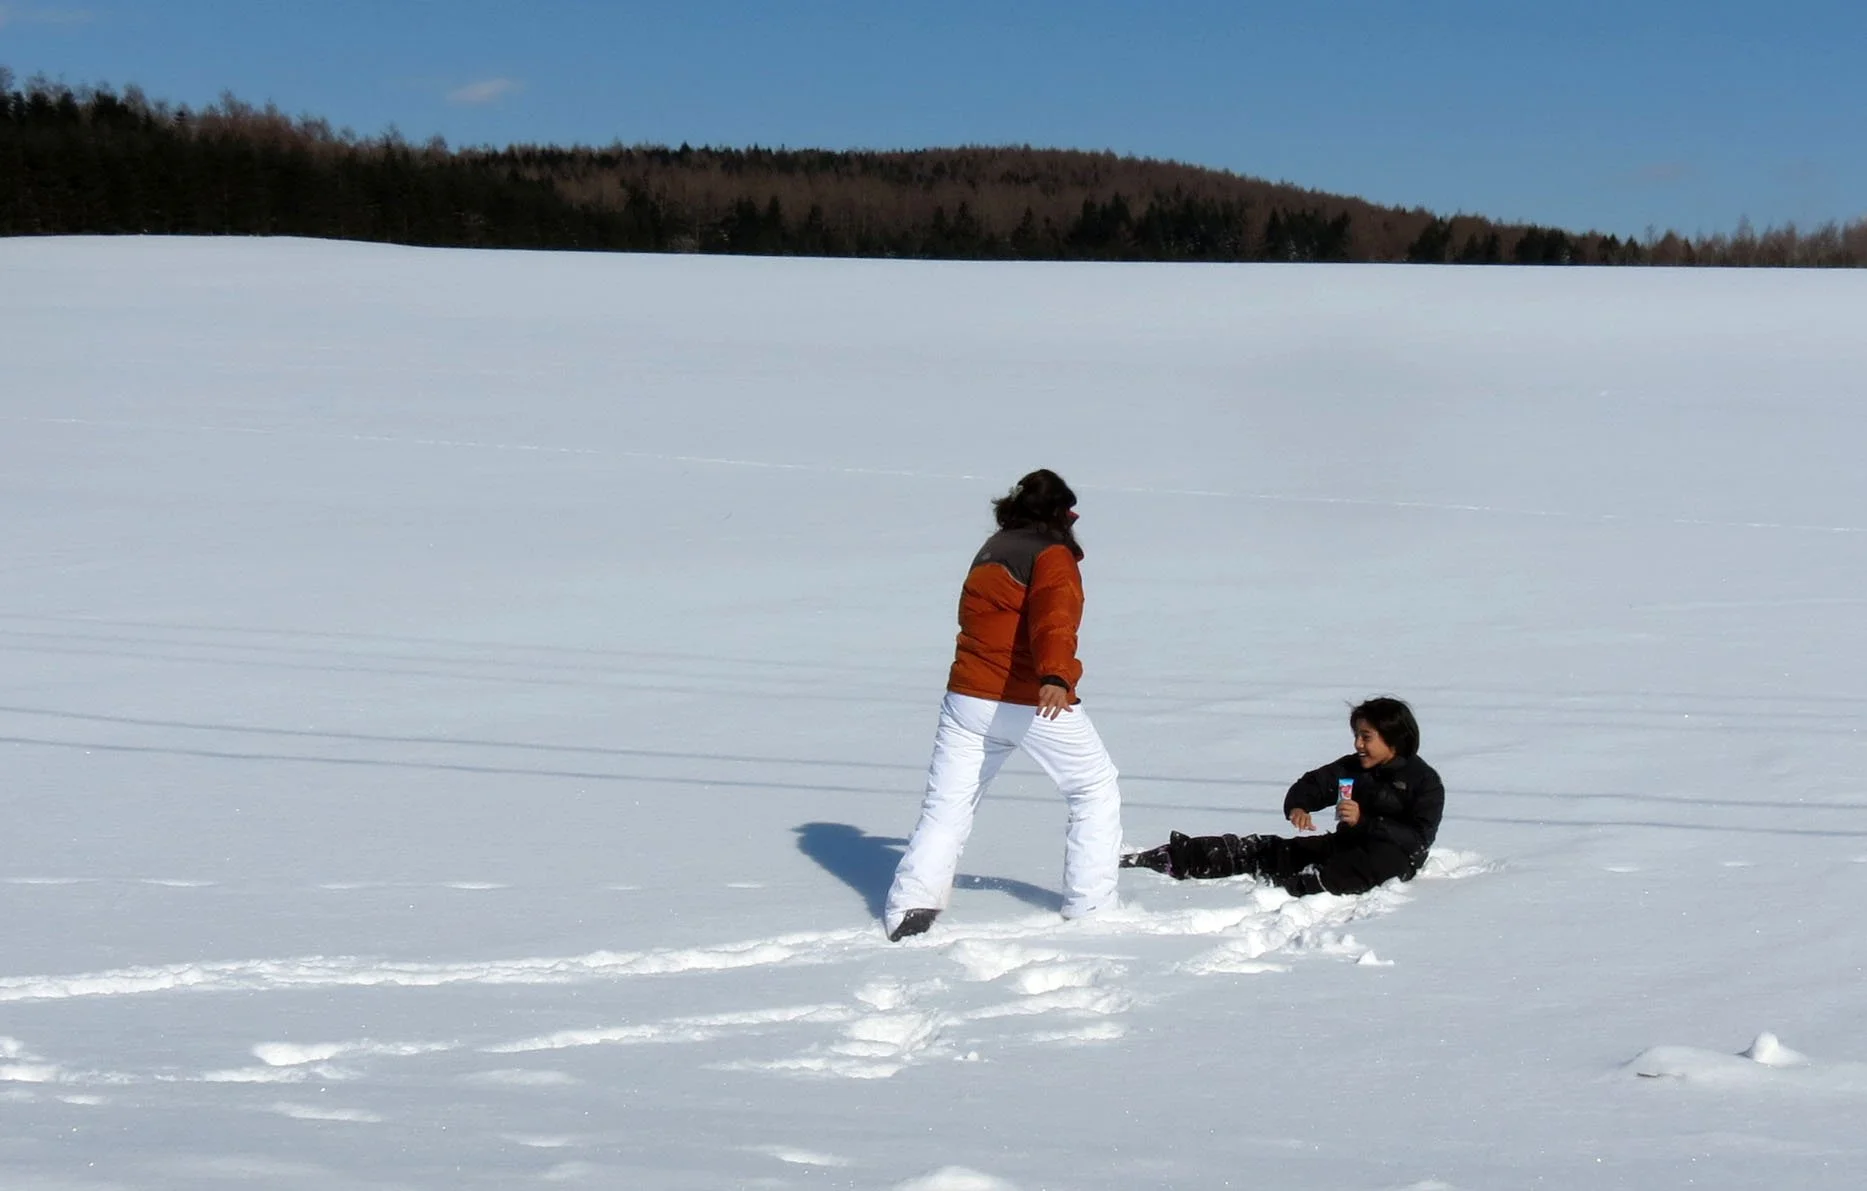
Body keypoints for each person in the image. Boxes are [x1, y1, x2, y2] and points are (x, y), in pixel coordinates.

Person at [883, 469, 1124, 941]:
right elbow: (1053, 620)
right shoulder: (1051, 556)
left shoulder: (992, 550)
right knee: (1094, 787)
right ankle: (1091, 905)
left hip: (966, 698)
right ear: (1060, 514)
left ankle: (911, 906)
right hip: (1026, 699)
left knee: (947, 806)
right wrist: (1055, 675)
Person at [1123, 697, 1443, 896]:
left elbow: (1417, 841)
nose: (1358, 743)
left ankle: (1301, 887)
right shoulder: (1352, 768)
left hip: (1390, 859)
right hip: (1343, 846)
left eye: (1366, 737)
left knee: (1375, 862)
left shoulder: (1424, 782)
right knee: (1268, 850)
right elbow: (1315, 784)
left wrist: (1366, 822)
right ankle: (1179, 857)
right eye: (1356, 735)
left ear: (1394, 741)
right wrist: (1299, 806)